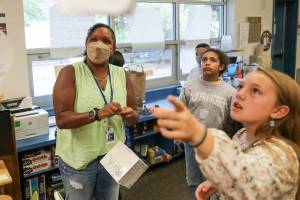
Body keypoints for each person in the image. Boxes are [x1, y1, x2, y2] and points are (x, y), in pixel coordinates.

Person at [151, 67, 300, 200]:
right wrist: (221, 181)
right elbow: (241, 168)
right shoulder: (241, 135)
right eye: (240, 86)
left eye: (255, 91)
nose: (240, 94)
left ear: (278, 111)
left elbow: (250, 181)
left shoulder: (281, 154)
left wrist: (200, 134)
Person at [53, 23, 139, 200]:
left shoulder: (122, 75)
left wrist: (130, 115)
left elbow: (134, 116)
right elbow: (62, 119)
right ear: (86, 44)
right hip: (80, 160)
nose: (99, 44)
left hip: (114, 155)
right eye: (94, 39)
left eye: (106, 40)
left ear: (113, 48)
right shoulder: (70, 73)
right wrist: (97, 114)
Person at [180, 48, 239, 199]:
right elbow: (181, 113)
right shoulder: (189, 86)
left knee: (214, 184)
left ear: (221, 67)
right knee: (193, 181)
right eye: (204, 60)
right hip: (192, 143)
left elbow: (233, 122)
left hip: (216, 145)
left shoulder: (230, 92)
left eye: (213, 60)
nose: (207, 63)